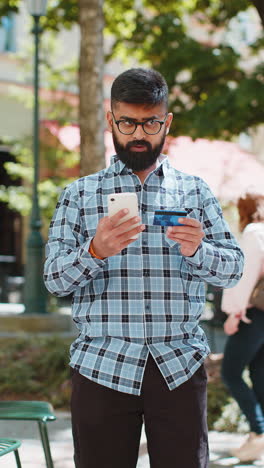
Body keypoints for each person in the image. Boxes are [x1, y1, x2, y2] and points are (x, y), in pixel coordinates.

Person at [44, 68, 244, 468]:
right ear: (111, 120)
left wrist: (199, 249)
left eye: (150, 122)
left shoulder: (195, 192)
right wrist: (95, 251)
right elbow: (54, 280)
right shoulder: (79, 195)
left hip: (179, 368)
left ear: (166, 122)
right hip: (102, 366)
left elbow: (233, 271)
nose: (139, 133)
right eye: (128, 122)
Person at [221, 193, 264, 462]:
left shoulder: (254, 231)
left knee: (231, 373)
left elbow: (245, 276)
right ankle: (257, 435)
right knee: (259, 372)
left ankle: (258, 432)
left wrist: (235, 313)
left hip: (253, 314)